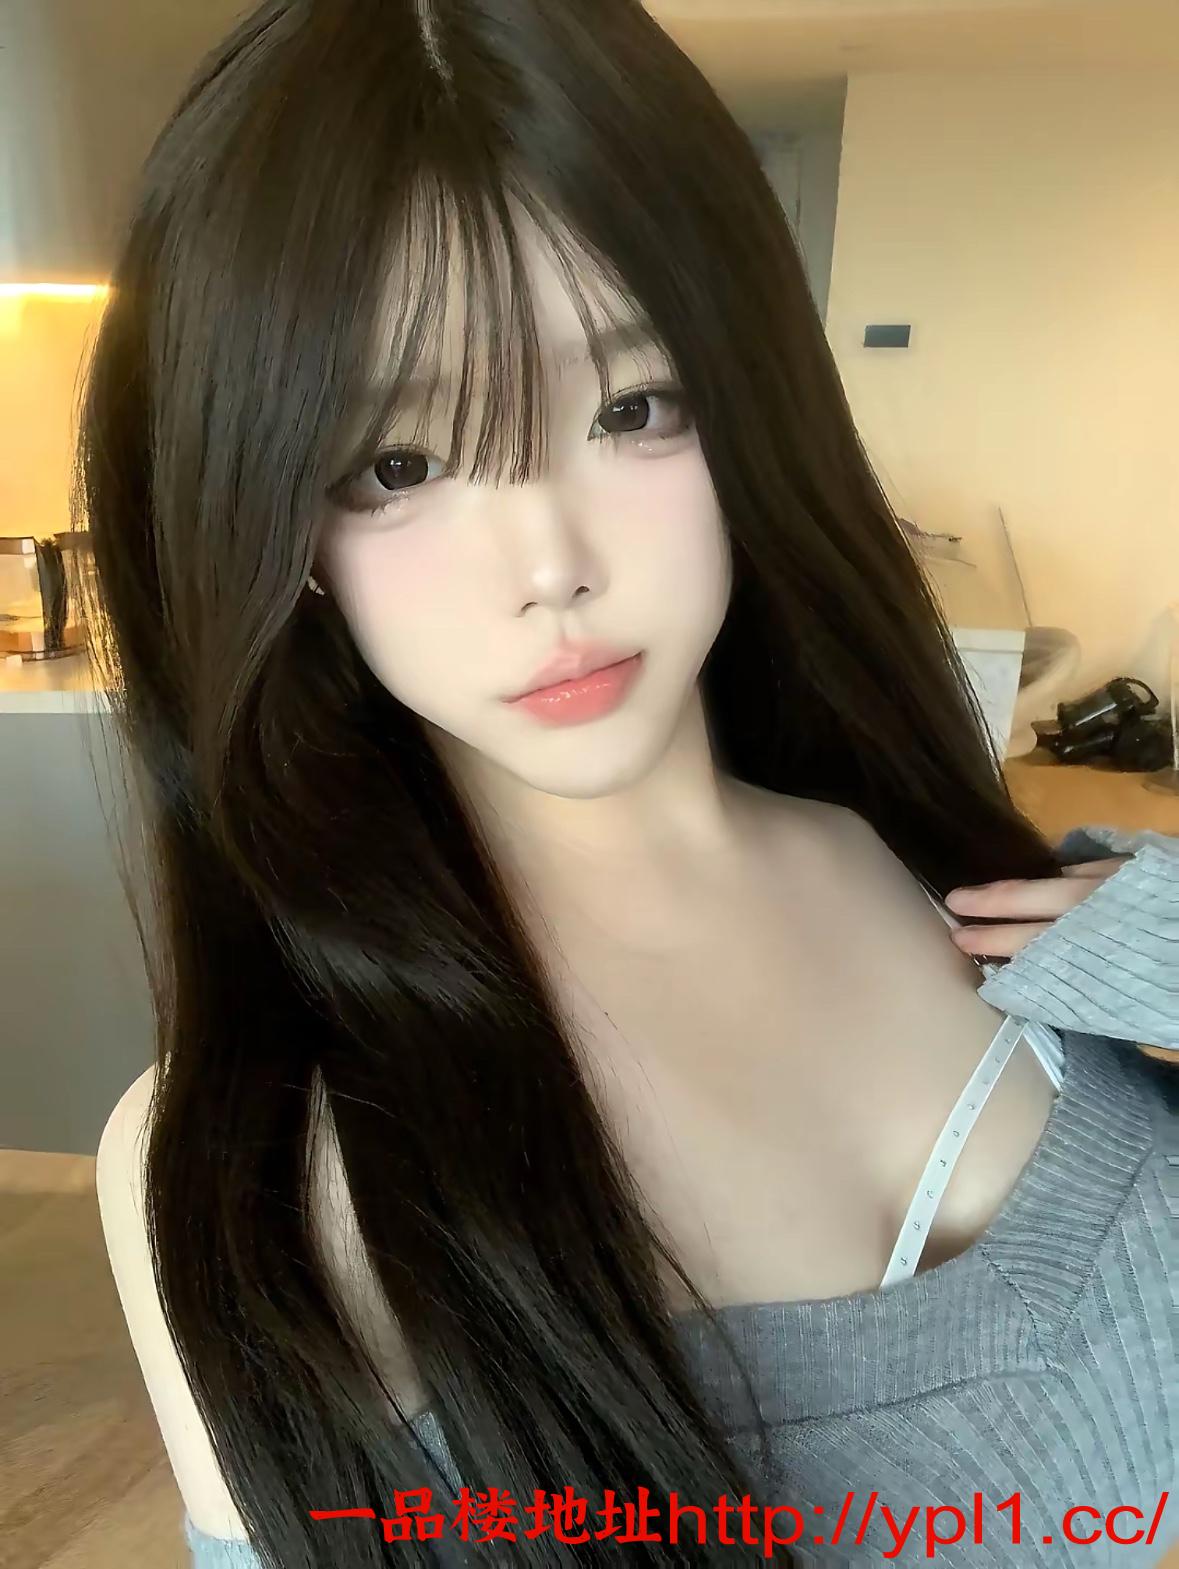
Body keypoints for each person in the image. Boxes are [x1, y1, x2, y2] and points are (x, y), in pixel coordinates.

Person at [84, 1, 1176, 1565]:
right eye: (398, 466)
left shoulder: (1012, 898)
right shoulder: (267, 1173)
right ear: (275, 523)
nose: (551, 564)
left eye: (632, 408)